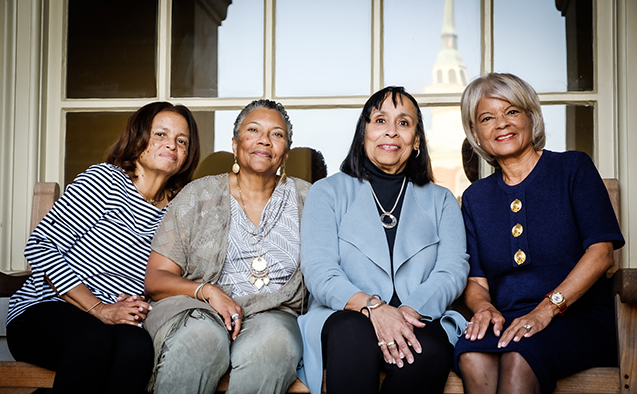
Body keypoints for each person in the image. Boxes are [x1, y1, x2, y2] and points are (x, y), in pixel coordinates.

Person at [6, 101, 201, 394]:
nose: (171, 145)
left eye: (181, 141)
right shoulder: (104, 181)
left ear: (187, 155)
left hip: (115, 324)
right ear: (138, 138)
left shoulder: (176, 212)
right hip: (46, 310)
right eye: (160, 134)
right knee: (93, 341)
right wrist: (98, 308)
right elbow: (41, 246)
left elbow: (164, 278)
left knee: (138, 350)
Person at [453, 73, 625, 394]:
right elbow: (477, 282)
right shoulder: (476, 197)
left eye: (512, 111)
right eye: (487, 118)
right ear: (476, 133)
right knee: (473, 356)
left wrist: (546, 310)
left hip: (578, 316)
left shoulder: (573, 169)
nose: (501, 123)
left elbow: (601, 253)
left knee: (520, 355)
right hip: (508, 320)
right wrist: (484, 308)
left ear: (532, 117)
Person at [297, 86, 470, 394]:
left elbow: (452, 270)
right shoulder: (327, 192)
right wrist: (374, 308)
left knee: (429, 351)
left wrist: (408, 310)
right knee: (353, 335)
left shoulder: (441, 200)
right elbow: (319, 270)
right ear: (363, 132)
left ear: (415, 140)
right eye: (380, 121)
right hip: (344, 314)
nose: (391, 132)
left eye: (403, 123)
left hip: (417, 315)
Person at [143, 99, 311, 394]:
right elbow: (156, 278)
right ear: (235, 144)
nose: (264, 140)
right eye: (253, 130)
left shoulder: (308, 199)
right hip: (199, 309)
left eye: (277, 134)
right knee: (201, 340)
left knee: (273, 344)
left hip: (275, 314)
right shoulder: (198, 195)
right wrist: (207, 291)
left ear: (285, 152)